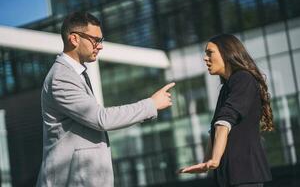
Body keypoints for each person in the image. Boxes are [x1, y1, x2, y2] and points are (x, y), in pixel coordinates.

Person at [36, 12, 175, 187]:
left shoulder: (73, 75)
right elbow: (102, 119)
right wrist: (151, 104)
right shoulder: (61, 78)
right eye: (96, 40)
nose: (100, 46)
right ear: (74, 39)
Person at [179, 34, 274, 187]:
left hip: (244, 176)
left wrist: (214, 159)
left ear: (227, 53)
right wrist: (206, 163)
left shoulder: (243, 78)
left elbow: (224, 122)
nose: (205, 58)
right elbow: (216, 129)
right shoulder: (227, 87)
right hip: (230, 177)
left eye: (210, 52)